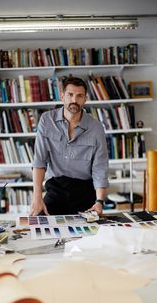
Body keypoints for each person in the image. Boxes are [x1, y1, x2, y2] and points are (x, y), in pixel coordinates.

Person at [30, 76, 109, 216]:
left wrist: (99, 201)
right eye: (70, 95)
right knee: (40, 226)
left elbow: (100, 168)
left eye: (79, 96)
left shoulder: (96, 128)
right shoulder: (46, 120)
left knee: (88, 235)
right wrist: (37, 197)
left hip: (85, 192)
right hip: (56, 189)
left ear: (85, 99)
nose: (74, 100)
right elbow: (39, 161)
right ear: (62, 96)